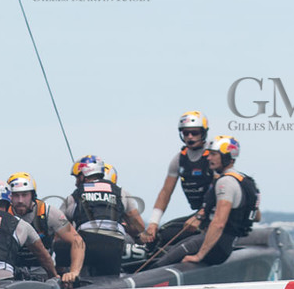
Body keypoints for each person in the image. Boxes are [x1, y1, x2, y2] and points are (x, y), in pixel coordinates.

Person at [150, 136, 259, 269]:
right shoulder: (244, 180)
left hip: (218, 247)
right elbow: (256, 216)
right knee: (169, 246)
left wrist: (199, 256)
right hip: (227, 243)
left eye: (213, 154)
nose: (208, 158)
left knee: (159, 264)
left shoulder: (225, 183)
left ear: (226, 157)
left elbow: (218, 223)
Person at [141, 111, 218, 250]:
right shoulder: (178, 160)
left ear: (203, 133)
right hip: (198, 214)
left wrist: (201, 216)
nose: (190, 137)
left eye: (194, 133)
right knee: (161, 235)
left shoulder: (213, 157)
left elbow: (220, 190)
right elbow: (165, 192)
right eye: (185, 133)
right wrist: (153, 223)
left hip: (214, 213)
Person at [65, 156, 145, 276]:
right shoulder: (121, 192)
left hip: (85, 246)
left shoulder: (75, 195)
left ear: (84, 174)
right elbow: (139, 226)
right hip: (115, 245)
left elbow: (60, 227)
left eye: (77, 177)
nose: (76, 182)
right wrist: (128, 229)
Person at [6, 172, 83, 285]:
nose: (20, 200)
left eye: (24, 194)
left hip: (43, 271)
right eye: (16, 195)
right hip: (11, 272)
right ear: (9, 197)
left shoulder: (49, 213)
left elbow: (78, 241)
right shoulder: (3, 214)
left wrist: (74, 272)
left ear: (32, 195)